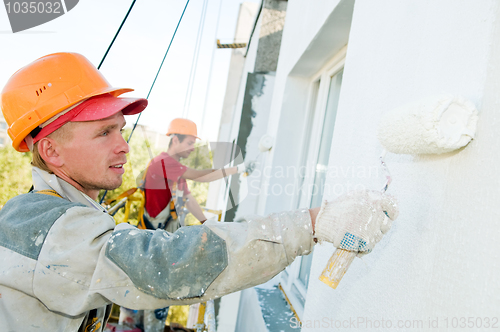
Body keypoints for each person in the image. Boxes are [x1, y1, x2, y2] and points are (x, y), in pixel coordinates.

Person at [0, 52, 398, 332]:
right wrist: (314, 223)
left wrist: (209, 214)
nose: (122, 145)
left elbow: (185, 194)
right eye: (104, 132)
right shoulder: (45, 229)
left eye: (120, 129)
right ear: (51, 150)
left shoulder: (56, 212)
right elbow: (170, 264)